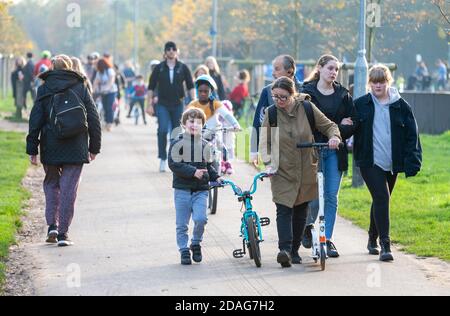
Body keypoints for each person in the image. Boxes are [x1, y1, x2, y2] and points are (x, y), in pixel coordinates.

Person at [259, 76, 341, 267]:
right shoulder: (271, 114)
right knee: (284, 208)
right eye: (275, 97)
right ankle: (284, 250)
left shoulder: (306, 108)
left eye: (283, 97)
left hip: (306, 166)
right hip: (282, 168)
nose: (279, 101)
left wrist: (334, 137)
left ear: (292, 94)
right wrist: (269, 162)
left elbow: (329, 126)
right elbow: (265, 142)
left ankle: (295, 250)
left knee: (300, 210)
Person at [26, 54, 102, 247]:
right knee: (69, 188)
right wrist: (94, 148)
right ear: (70, 68)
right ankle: (63, 234)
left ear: (52, 68)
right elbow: (93, 118)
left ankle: (52, 224)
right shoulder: (81, 87)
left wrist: (32, 148)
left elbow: (35, 120)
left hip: (51, 146)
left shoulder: (44, 89)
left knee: (51, 184)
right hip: (76, 147)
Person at [353, 64, 422, 262]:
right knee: (382, 197)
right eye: (374, 82)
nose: (377, 85)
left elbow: (412, 134)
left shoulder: (400, 105)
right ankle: (385, 244)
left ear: (387, 82)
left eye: (381, 81)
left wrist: (413, 160)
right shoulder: (361, 104)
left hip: (392, 162)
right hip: (369, 160)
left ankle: (371, 238)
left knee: (380, 199)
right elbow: (350, 127)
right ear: (369, 83)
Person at [300, 55, 356, 258]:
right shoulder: (306, 93)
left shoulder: (343, 94)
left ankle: (327, 240)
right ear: (320, 68)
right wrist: (338, 125)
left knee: (331, 196)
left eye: (337, 69)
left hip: (335, 151)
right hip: (312, 150)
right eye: (330, 68)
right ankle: (307, 227)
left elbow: (353, 124)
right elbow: (304, 123)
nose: (334, 72)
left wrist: (337, 133)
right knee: (314, 197)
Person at [168, 108, 223, 265]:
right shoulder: (177, 143)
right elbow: (174, 164)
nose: (194, 125)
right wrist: (193, 172)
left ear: (203, 125)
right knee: (182, 224)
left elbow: (209, 166)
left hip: (200, 190)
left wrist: (216, 176)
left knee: (201, 218)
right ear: (184, 124)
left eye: (198, 122)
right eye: (191, 121)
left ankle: (196, 242)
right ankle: (184, 249)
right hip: (182, 189)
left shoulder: (206, 145)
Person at [146, 41, 196, 172]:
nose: (171, 51)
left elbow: (191, 86)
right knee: (162, 130)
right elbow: (151, 87)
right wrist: (149, 104)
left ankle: (173, 159)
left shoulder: (183, 67)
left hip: (178, 104)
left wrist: (194, 103)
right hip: (162, 104)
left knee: (176, 133)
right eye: (168, 49)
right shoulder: (159, 68)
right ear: (165, 52)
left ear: (177, 51)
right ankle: (162, 158)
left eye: (173, 49)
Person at [251, 55, 301, 166]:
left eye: (277, 69)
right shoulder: (267, 91)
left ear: (289, 71)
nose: (273, 73)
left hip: (300, 149)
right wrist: (254, 150)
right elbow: (258, 121)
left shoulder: (304, 90)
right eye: (273, 69)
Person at [187, 75, 241, 175]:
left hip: (214, 132)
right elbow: (186, 118)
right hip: (199, 133)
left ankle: (225, 162)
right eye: (200, 91)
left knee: (220, 145)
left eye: (206, 91)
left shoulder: (215, 104)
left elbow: (227, 115)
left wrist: (235, 124)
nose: (203, 93)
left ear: (211, 91)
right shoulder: (193, 104)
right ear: (197, 91)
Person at [93, 58, 118, 132]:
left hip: (111, 92)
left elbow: (111, 81)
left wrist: (106, 88)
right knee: (104, 107)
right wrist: (92, 90)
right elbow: (95, 82)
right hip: (103, 92)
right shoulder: (99, 72)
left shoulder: (110, 71)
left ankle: (109, 124)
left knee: (109, 107)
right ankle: (106, 122)